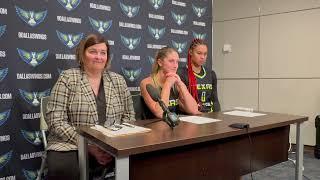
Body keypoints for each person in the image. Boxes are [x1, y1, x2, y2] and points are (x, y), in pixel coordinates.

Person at [46, 34, 135, 180]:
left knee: (142, 162)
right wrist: (87, 145)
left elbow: (129, 116)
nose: (98, 57)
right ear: (82, 54)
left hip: (112, 144)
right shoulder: (68, 78)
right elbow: (56, 120)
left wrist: (114, 145)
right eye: (93, 51)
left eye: (103, 53)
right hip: (70, 143)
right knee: (63, 170)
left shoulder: (118, 80)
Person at [140, 47, 200, 118]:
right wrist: (167, 84)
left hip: (175, 125)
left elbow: (194, 110)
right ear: (160, 62)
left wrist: (181, 85)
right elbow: (160, 113)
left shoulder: (175, 82)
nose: (175, 66)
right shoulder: (147, 83)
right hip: (155, 126)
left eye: (177, 62)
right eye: (171, 61)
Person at [178, 39, 220, 113]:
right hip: (191, 116)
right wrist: (195, 113)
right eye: (199, 53)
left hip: (210, 115)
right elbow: (180, 102)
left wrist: (218, 115)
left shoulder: (211, 74)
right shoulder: (181, 73)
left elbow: (215, 100)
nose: (202, 57)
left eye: (205, 54)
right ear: (191, 52)